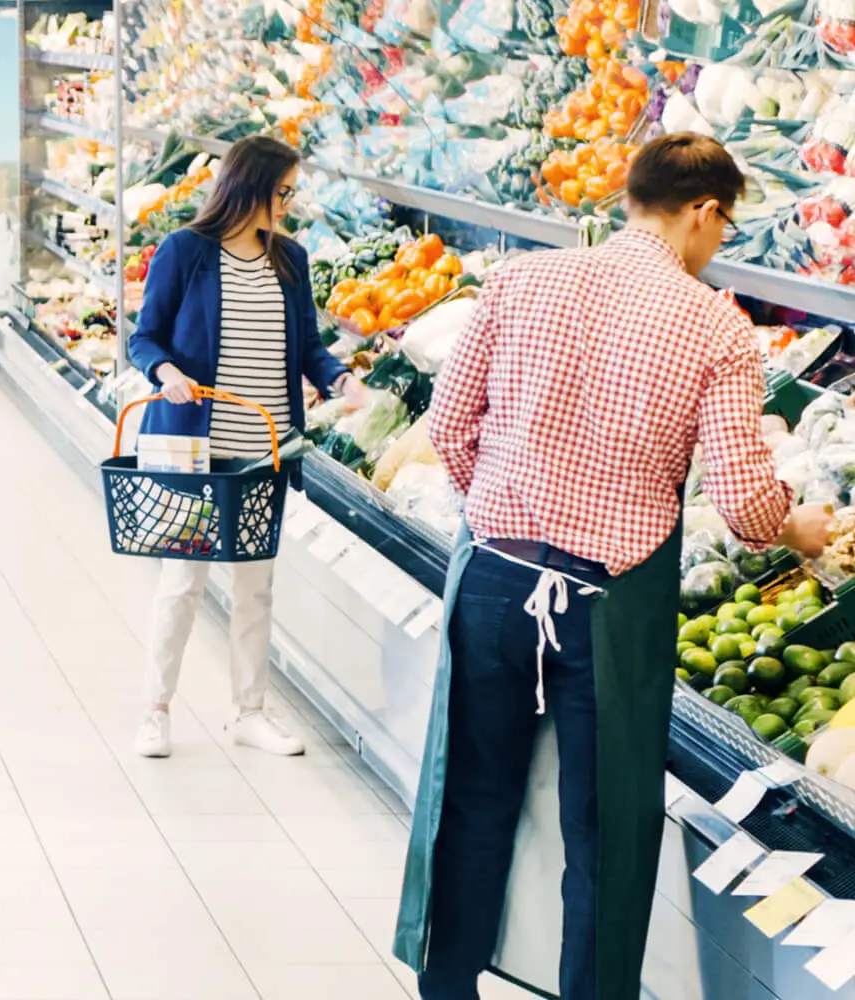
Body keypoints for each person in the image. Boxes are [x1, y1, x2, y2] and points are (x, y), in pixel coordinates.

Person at [394, 132, 835, 1000]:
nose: (720, 244)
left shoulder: (522, 282)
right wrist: (801, 530)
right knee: (604, 833)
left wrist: (518, 495)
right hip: (610, 606)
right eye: (725, 225)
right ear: (703, 211)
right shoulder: (715, 326)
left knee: (473, 800)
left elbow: (448, 426)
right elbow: (747, 507)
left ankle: (447, 988)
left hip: (492, 576)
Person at [122, 136, 360, 759]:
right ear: (250, 187)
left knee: (256, 586)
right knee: (183, 582)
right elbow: (143, 338)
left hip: (266, 450)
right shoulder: (185, 252)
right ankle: (154, 711)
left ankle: (249, 711)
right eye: (283, 191)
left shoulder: (291, 258)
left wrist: (339, 377)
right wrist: (164, 373)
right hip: (197, 453)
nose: (288, 203)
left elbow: (307, 344)